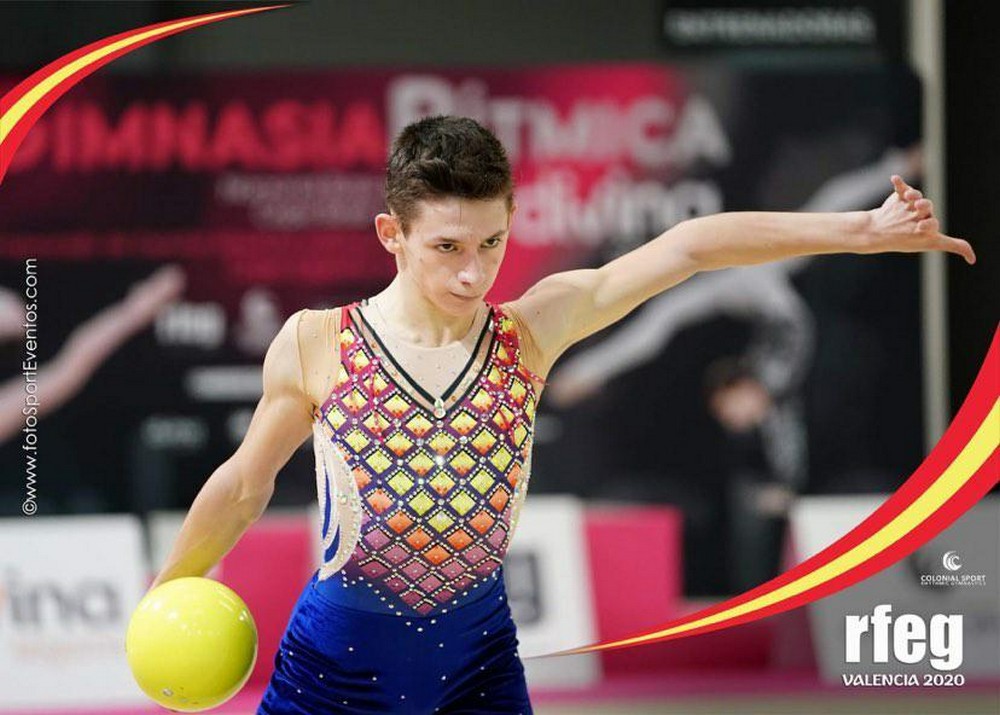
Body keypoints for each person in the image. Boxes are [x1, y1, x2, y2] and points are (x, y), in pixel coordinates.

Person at [148, 116, 972, 714]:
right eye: (447, 248)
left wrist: (861, 229)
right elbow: (244, 483)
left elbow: (690, 245)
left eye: (492, 243)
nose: (475, 274)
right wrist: (167, 590)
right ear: (391, 233)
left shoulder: (534, 329)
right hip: (333, 672)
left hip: (478, 667)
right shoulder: (316, 343)